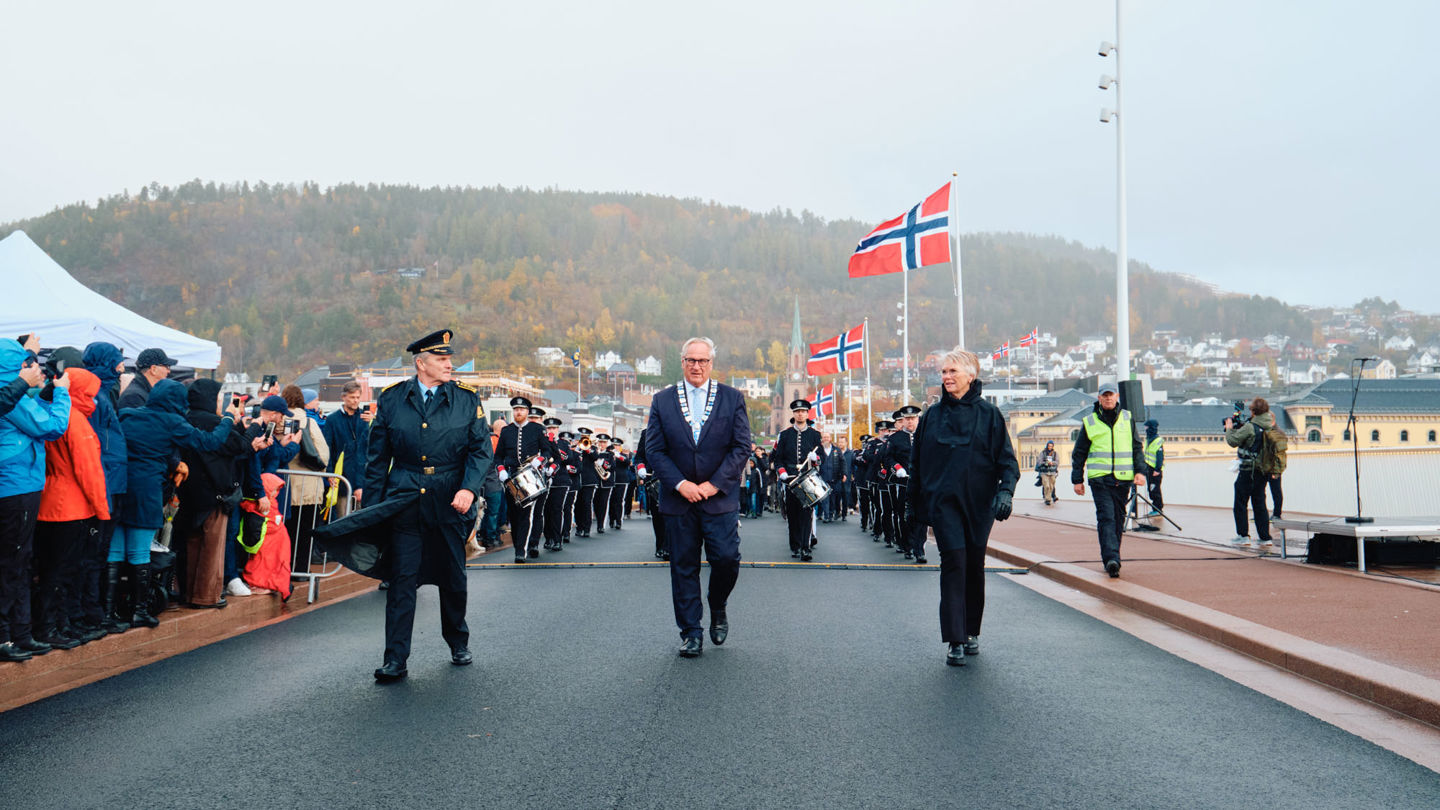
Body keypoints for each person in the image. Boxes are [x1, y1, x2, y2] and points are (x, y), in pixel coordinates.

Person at [362, 329, 492, 682]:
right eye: (441, 359)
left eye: (449, 359)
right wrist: (372, 512)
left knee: (453, 577)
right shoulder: (392, 399)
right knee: (402, 581)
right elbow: (377, 460)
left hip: (450, 500)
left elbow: (481, 451)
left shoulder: (466, 399)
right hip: (405, 498)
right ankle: (395, 659)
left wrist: (468, 488)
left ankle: (458, 642)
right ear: (421, 364)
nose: (449, 365)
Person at [643, 337, 751, 658]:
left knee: (727, 559)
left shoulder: (732, 398)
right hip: (680, 500)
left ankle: (717, 604)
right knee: (683, 567)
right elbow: (654, 450)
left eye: (703, 361)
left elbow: (741, 447)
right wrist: (680, 484)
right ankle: (691, 632)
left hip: (718, 498)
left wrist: (714, 484)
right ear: (682, 362)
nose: (697, 366)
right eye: (691, 360)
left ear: (711, 363)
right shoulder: (662, 401)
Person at [910, 348, 1018, 666]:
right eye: (944, 371)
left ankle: (971, 631)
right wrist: (913, 505)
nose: (946, 377)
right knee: (954, 562)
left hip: (979, 505)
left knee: (973, 565)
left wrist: (1006, 492)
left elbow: (1007, 462)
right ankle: (954, 639)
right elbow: (917, 464)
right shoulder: (931, 416)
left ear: (971, 375)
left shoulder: (990, 415)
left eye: (952, 371)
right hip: (944, 504)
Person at [116, 379, 241, 628]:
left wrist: (173, 462)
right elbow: (209, 442)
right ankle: (139, 611)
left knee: (115, 551)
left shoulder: (127, 414)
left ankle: (113, 612)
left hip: (119, 489)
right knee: (140, 551)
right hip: (147, 492)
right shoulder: (171, 421)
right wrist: (228, 418)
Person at [0, 340, 71, 662]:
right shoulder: (10, 396)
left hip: (17, 484)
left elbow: (34, 413)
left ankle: (20, 633)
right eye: (25, 363)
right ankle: (8, 636)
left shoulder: (12, 395)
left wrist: (46, 393)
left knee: (18, 560)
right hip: (16, 486)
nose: (32, 368)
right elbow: (52, 426)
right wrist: (63, 394)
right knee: (14, 562)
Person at [33, 367, 110, 649]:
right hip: (72, 505)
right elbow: (89, 471)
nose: (94, 398)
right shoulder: (75, 420)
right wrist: (102, 510)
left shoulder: (51, 413)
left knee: (49, 569)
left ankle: (53, 625)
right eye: (90, 393)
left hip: (48, 499)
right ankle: (53, 628)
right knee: (63, 571)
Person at [175, 379, 251, 608]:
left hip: (186, 491)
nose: (220, 402)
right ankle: (206, 595)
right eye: (218, 398)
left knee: (189, 544)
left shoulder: (184, 419)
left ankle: (187, 592)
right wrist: (241, 425)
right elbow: (240, 446)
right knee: (211, 546)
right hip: (214, 492)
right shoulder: (215, 423)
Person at [1071, 382, 1147, 578]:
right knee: (1106, 517)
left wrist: (1141, 471)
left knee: (1118, 519)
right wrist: (1077, 479)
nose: (1108, 398)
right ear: (1099, 398)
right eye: (1104, 395)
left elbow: (1136, 447)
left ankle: (1113, 556)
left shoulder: (1127, 418)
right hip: (1100, 479)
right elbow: (1079, 453)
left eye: (1111, 395)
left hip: (1123, 479)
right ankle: (1112, 559)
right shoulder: (1090, 422)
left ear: (1117, 396)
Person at [494, 397, 553, 562]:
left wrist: (539, 460)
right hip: (510, 477)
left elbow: (547, 451)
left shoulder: (537, 429)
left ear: (527, 411)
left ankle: (521, 550)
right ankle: (518, 546)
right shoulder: (506, 431)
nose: (518, 412)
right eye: (516, 409)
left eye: (521, 409)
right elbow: (498, 456)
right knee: (513, 515)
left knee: (525, 514)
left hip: (530, 476)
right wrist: (501, 470)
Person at [773, 400, 824, 561]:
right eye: (797, 411)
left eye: (803, 411)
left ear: (807, 414)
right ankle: (795, 545)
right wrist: (782, 472)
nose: (800, 414)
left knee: (806, 514)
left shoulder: (815, 435)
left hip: (807, 478)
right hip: (789, 478)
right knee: (793, 514)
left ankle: (805, 548)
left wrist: (815, 458)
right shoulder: (785, 435)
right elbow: (778, 459)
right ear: (793, 414)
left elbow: (821, 457)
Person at [1225, 398, 1278, 550]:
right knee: (1260, 503)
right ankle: (1265, 538)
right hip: (1263, 470)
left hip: (1248, 470)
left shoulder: (1250, 427)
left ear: (1253, 411)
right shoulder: (1270, 426)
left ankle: (1243, 536)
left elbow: (1233, 441)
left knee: (1240, 502)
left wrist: (1229, 428)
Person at [883, 405, 923, 561]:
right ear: (903, 420)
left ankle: (919, 549)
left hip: (921, 483)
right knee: (904, 515)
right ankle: (907, 546)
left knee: (921, 516)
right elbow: (888, 458)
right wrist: (897, 467)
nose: (910, 422)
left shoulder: (925, 435)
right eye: (907, 419)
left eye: (913, 418)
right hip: (902, 482)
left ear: (917, 419)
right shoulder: (895, 438)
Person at [1142, 419, 1164, 516]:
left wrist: (1157, 469)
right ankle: (1155, 508)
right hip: (1149, 468)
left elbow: (1160, 456)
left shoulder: (1157, 440)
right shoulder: (1149, 439)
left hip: (1154, 470)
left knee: (1154, 489)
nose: (1145, 428)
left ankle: (1158, 509)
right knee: (1151, 489)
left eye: (1146, 427)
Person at [1036, 440, 1060, 506]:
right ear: (1047, 446)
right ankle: (1047, 499)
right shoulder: (1042, 453)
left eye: (1051, 446)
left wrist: (1052, 463)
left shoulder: (1055, 453)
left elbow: (1057, 462)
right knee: (1046, 485)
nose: (1050, 447)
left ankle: (1050, 497)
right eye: (1049, 446)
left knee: (1051, 486)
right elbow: (1039, 462)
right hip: (1044, 472)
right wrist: (1046, 463)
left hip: (1052, 472)